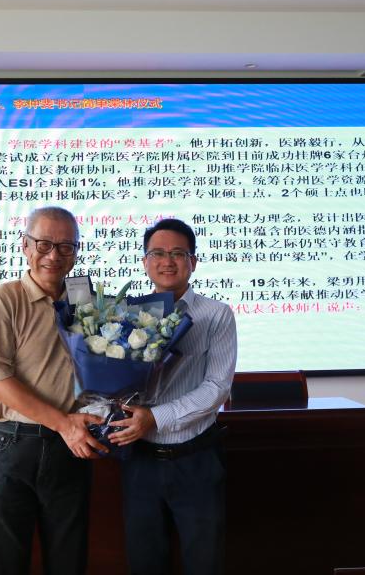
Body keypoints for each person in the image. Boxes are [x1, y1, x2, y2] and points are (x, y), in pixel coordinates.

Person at [0, 206, 107, 575]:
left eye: (66, 247)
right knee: (7, 563)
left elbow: (102, 364)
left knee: (69, 560)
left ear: (76, 251)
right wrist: (64, 424)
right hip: (12, 444)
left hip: (71, 445)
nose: (54, 256)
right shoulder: (2, 299)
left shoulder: (84, 298)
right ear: (25, 245)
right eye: (44, 244)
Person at [108, 218, 238, 575]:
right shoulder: (125, 315)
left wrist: (154, 418)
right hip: (140, 461)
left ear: (192, 262)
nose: (168, 261)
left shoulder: (216, 315)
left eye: (178, 253)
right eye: (158, 253)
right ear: (145, 262)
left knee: (204, 562)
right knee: (145, 562)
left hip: (195, 459)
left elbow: (217, 388)